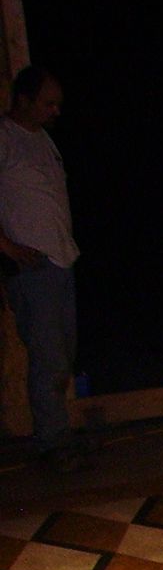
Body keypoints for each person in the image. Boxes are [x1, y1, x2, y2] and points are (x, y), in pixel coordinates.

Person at [0, 65, 82, 471]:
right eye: (48, 104)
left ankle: (59, 434)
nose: (55, 112)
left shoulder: (43, 139)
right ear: (24, 101)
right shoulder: (5, 138)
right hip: (33, 267)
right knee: (48, 357)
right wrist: (8, 247)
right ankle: (52, 444)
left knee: (63, 356)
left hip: (61, 259)